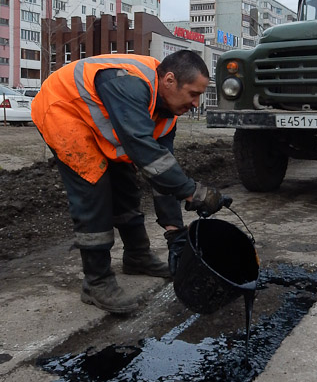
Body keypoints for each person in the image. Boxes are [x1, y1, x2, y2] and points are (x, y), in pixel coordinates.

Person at [31, 50, 230, 315]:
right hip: (63, 110)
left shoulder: (166, 112)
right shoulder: (128, 83)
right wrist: (192, 192)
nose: (196, 103)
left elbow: (161, 170)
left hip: (98, 121)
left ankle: (137, 256)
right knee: (94, 190)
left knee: (124, 183)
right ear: (170, 80)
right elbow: (143, 150)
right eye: (193, 94)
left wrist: (174, 231)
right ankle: (96, 281)